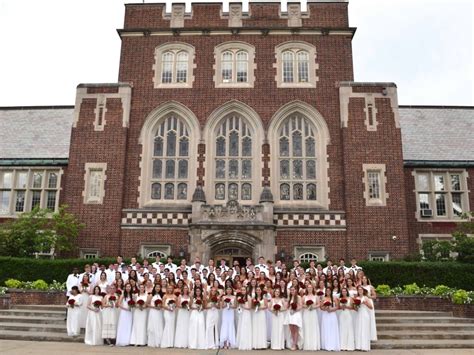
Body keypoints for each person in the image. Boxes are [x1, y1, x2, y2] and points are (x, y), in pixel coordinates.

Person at [320, 287, 341, 351]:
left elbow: (337, 306)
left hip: (332, 314)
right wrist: (325, 308)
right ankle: (326, 344)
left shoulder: (334, 298)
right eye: (327, 291)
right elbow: (321, 307)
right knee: (326, 329)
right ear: (325, 292)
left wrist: (331, 310)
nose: (328, 292)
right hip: (325, 315)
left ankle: (333, 344)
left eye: (329, 290)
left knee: (332, 329)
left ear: (331, 291)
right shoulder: (323, 298)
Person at [355, 286, 374, 351]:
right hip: (359, 315)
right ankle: (359, 346)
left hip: (365, 315)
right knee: (359, 329)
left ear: (363, 291)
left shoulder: (366, 298)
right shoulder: (356, 298)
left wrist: (365, 303)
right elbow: (356, 309)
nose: (360, 291)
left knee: (364, 330)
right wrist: (357, 306)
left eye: (361, 290)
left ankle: (365, 347)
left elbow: (371, 307)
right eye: (359, 290)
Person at [302, 283, 320, 350]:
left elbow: (318, 305)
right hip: (306, 313)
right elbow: (302, 305)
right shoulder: (304, 297)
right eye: (308, 287)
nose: (309, 288)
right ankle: (307, 345)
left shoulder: (316, 297)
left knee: (313, 327)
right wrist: (307, 306)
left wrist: (313, 307)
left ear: (312, 289)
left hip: (313, 313)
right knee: (306, 327)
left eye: (311, 287)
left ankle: (313, 345)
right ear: (307, 289)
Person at [251, 285, 268, 350]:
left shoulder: (264, 297)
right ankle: (255, 344)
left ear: (261, 291)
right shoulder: (253, 298)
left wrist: (259, 308)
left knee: (261, 327)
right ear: (255, 291)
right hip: (255, 314)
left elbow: (266, 306)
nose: (258, 291)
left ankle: (262, 345)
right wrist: (255, 307)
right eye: (257, 290)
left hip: (261, 313)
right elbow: (252, 307)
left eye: (259, 290)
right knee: (255, 327)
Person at [287, 286, 303, 350]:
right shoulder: (290, 297)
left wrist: (295, 310)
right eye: (291, 290)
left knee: (296, 329)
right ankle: (293, 342)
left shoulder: (298, 297)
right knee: (291, 329)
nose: (292, 291)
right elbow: (288, 306)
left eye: (293, 290)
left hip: (296, 314)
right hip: (290, 314)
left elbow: (301, 306)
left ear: (295, 290)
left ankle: (295, 344)